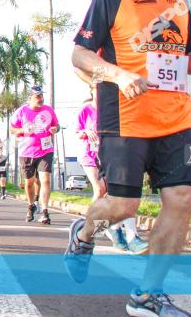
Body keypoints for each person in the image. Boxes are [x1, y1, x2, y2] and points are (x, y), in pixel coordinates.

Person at [65, 0, 191, 316]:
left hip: (177, 119)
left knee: (183, 199)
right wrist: (119, 75)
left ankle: (148, 295)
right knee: (123, 205)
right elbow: (79, 54)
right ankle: (85, 232)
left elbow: (180, 55)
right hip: (125, 118)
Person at [76, 85, 147, 254]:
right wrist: (86, 131)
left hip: (112, 153)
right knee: (100, 189)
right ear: (92, 91)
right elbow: (78, 132)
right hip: (90, 155)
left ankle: (126, 234)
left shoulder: (114, 107)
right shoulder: (86, 110)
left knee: (120, 193)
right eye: (96, 88)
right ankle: (95, 226)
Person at [10, 86, 59, 225]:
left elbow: (57, 125)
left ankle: (44, 211)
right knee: (29, 182)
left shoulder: (48, 110)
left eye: (41, 96)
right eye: (37, 96)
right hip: (27, 151)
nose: (41, 99)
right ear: (30, 98)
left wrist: (55, 129)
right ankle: (31, 205)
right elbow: (12, 129)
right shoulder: (21, 111)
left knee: (45, 180)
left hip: (45, 149)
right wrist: (22, 130)